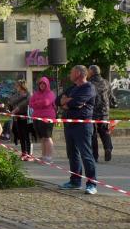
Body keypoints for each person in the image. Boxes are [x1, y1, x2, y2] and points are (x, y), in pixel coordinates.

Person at [57, 65, 97, 194]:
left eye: (71, 72)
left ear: (78, 73)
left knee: (86, 154)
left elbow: (76, 103)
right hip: (69, 124)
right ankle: (75, 181)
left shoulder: (89, 87)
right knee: (72, 154)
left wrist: (68, 102)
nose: (70, 74)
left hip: (82, 126)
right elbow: (57, 100)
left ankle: (92, 184)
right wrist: (66, 102)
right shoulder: (72, 88)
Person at [88, 65, 114, 162]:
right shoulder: (106, 82)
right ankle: (108, 148)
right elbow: (111, 97)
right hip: (104, 112)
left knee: (92, 134)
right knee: (105, 132)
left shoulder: (89, 84)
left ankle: (94, 156)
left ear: (91, 72)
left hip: (92, 112)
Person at [29, 77, 56, 163]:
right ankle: (44, 156)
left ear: (47, 84)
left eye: (44, 83)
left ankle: (49, 157)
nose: (42, 85)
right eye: (40, 83)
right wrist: (40, 102)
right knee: (42, 138)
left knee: (47, 137)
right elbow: (30, 104)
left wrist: (36, 103)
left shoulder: (50, 93)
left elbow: (46, 102)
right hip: (37, 117)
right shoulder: (36, 93)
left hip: (47, 118)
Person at [7, 80, 31, 160]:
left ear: (22, 86)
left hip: (25, 116)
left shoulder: (28, 94)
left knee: (26, 135)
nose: (16, 87)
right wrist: (21, 97)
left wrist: (16, 108)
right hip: (17, 116)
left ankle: (28, 154)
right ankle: (23, 153)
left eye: (17, 85)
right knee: (21, 135)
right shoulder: (17, 94)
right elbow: (11, 102)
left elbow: (25, 103)